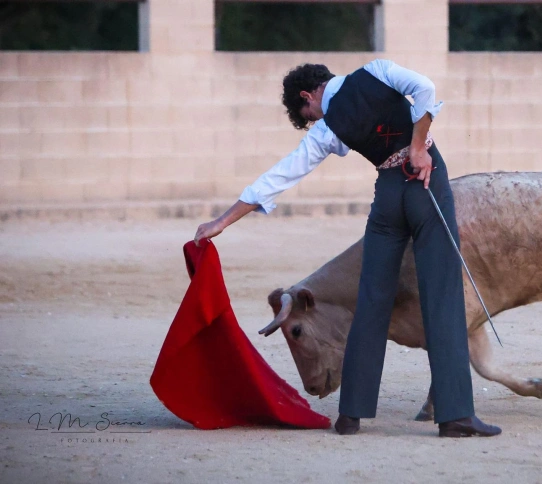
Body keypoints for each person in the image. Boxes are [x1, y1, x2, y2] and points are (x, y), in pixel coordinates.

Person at [193, 59, 501, 438]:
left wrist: (221, 222)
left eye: (307, 113)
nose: (313, 119)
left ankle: (350, 414)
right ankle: (455, 416)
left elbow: (280, 175)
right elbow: (426, 89)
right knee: (442, 294)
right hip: (425, 183)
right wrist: (418, 148)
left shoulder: (326, 128)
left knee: (371, 297)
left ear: (308, 94)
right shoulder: (377, 70)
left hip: (388, 195)